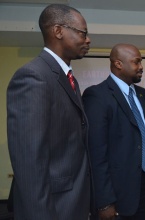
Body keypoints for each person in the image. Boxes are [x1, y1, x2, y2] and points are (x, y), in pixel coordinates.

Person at [6, 4, 92, 220]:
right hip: (53, 206)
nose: (88, 39)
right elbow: (29, 161)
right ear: (58, 31)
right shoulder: (34, 76)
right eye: (83, 33)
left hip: (73, 201)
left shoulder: (67, 78)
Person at [83, 43, 145, 220]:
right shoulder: (97, 95)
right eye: (136, 62)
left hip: (144, 187)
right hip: (116, 194)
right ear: (118, 64)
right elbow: (96, 153)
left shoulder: (142, 94)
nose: (141, 67)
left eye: (141, 62)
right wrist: (105, 201)